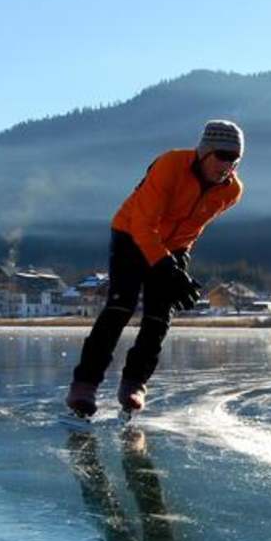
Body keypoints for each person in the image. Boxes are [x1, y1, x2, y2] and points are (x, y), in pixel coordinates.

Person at [65, 120, 245, 417]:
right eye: (222, 156)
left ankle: (134, 383)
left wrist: (176, 268)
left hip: (174, 245)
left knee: (160, 315)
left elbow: (193, 227)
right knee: (120, 307)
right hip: (130, 233)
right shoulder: (170, 165)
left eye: (235, 159)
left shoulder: (230, 191)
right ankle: (84, 385)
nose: (227, 165)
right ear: (204, 152)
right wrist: (163, 265)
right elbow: (142, 225)